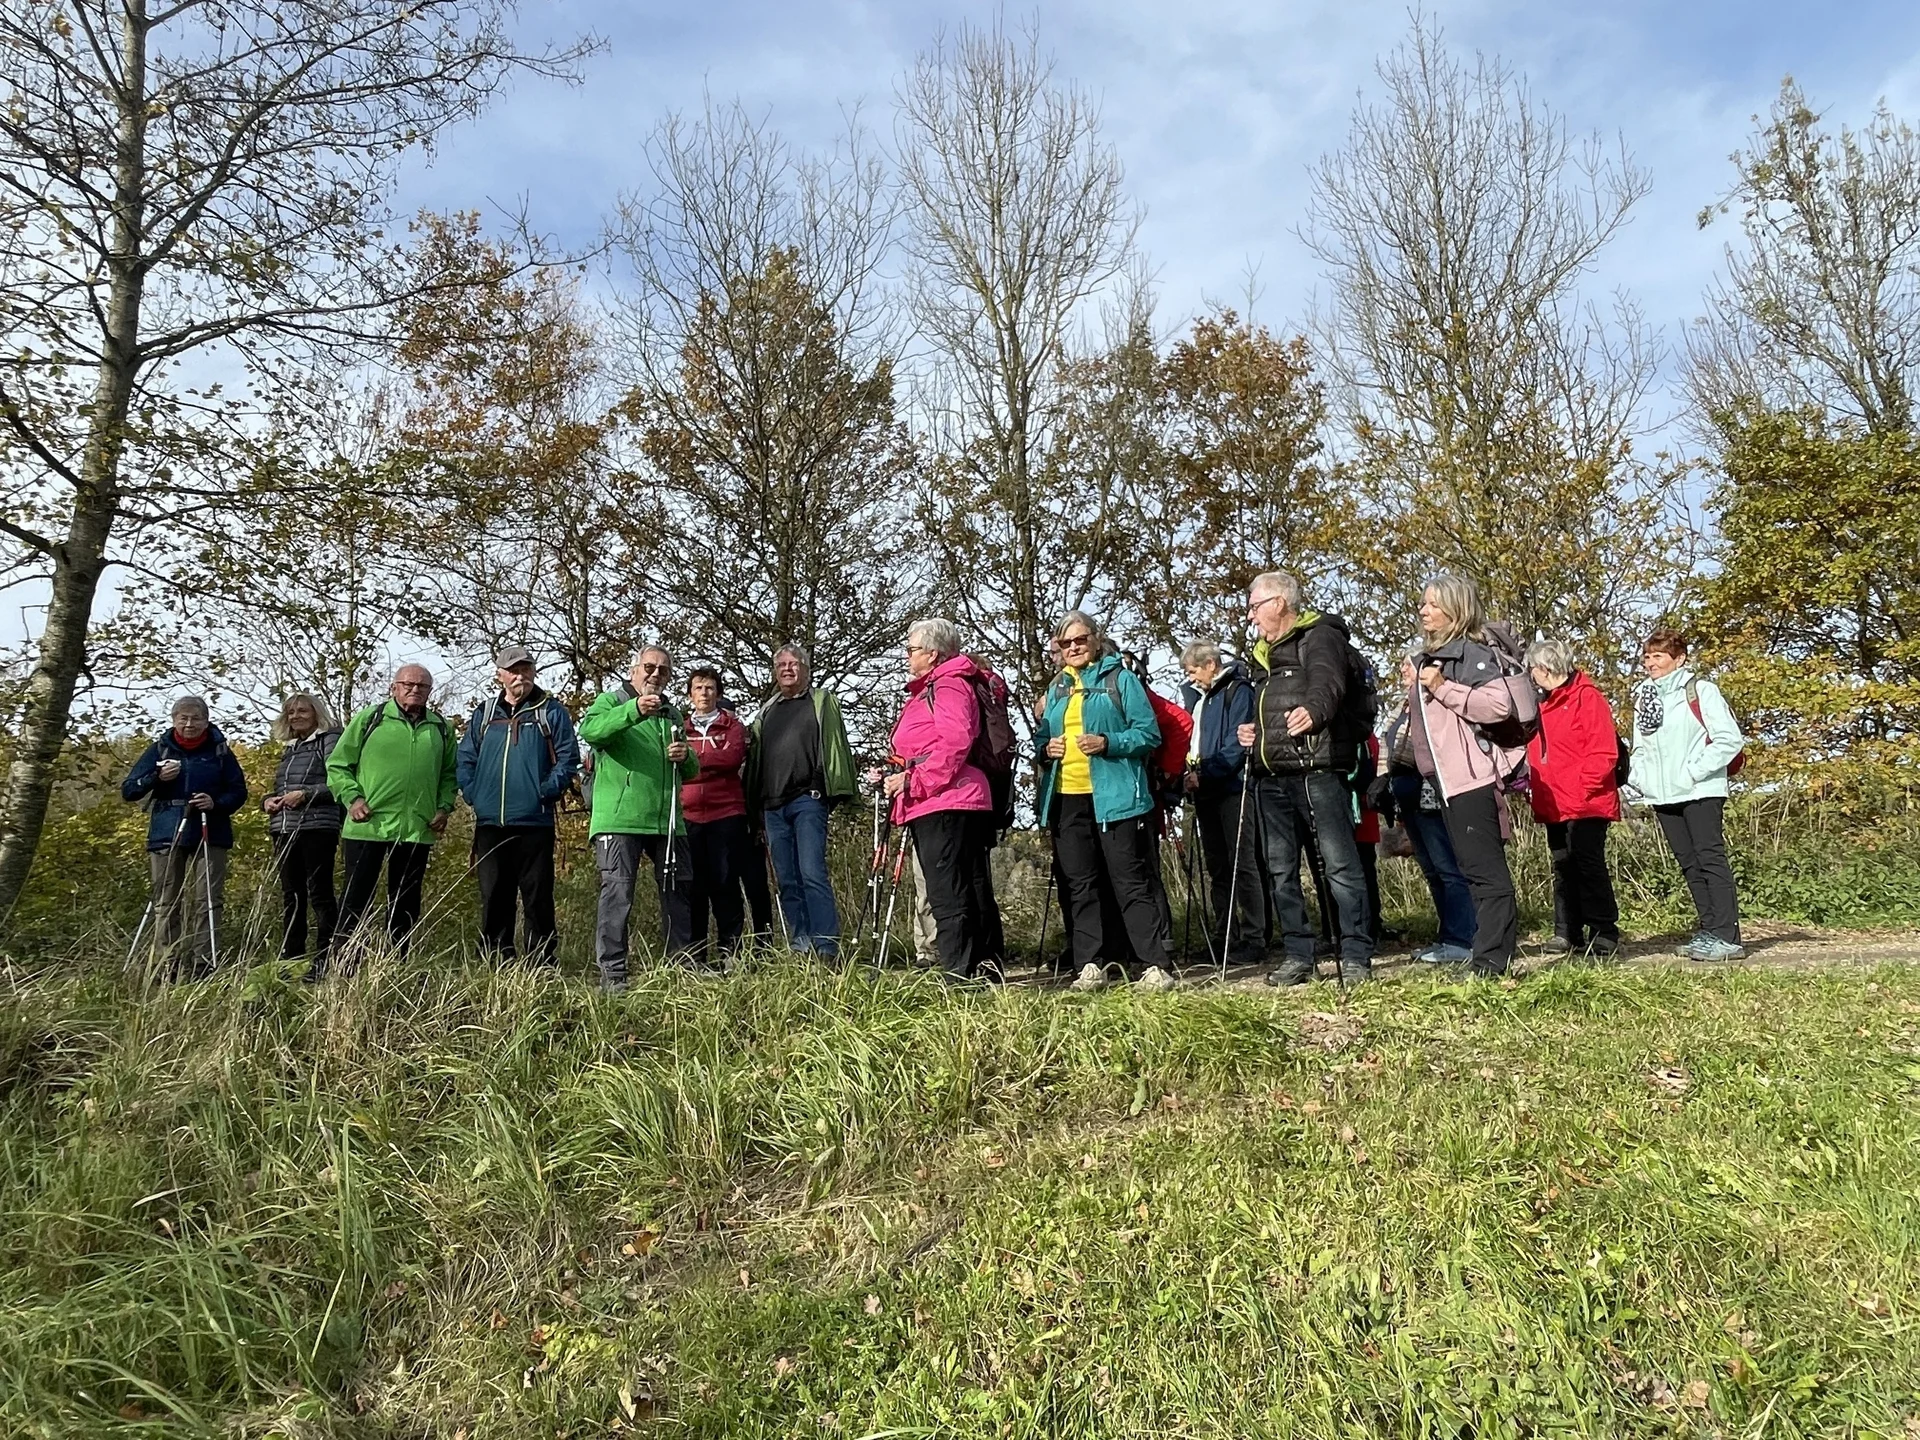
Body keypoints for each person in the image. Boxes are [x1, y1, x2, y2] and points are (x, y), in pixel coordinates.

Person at [1235, 571, 1375, 986]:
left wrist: (1315, 711)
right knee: (1280, 869)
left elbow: (1327, 684)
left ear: (1280, 602)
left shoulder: (1320, 636)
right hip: (1271, 774)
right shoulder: (1262, 655)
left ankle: (1355, 954)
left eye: (1255, 605)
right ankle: (1299, 954)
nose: (1250, 615)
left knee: (1339, 864)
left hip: (1317, 769)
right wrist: (1255, 733)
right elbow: (1274, 710)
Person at [1035, 609, 1173, 992]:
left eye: (1081, 639)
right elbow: (1039, 742)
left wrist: (1108, 743)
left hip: (1116, 797)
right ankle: (1090, 966)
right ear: (1059, 649)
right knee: (1081, 885)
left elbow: (1149, 734)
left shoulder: (1122, 679)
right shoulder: (1057, 687)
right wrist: (1047, 748)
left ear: (1096, 639)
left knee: (1130, 881)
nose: (1074, 647)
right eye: (1066, 643)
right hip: (1067, 797)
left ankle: (1154, 965)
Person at [1407, 575, 1525, 978]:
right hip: (1445, 781)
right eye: (1422, 603)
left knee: (1487, 875)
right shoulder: (1432, 657)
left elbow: (1496, 707)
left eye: (1432, 604)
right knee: (1472, 873)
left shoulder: (1471, 655)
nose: (1423, 610)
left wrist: (1442, 687)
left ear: (1455, 609)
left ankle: (1493, 962)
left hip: (1471, 778)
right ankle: (1486, 956)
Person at [877, 618, 1002, 984]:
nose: (906, 655)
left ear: (932, 653)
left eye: (912, 649)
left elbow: (955, 742)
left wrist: (914, 780)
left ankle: (958, 974)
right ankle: (985, 970)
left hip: (945, 800)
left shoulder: (947, 686)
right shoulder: (941, 685)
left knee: (948, 889)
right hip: (952, 799)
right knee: (971, 885)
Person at [579, 646, 700, 990]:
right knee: (618, 895)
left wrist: (685, 756)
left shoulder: (672, 714)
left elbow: (690, 770)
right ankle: (613, 977)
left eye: (663, 671)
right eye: (649, 667)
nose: (655, 675)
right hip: (620, 820)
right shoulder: (612, 702)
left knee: (678, 894)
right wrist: (633, 710)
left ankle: (681, 970)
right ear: (634, 669)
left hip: (667, 821)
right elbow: (591, 731)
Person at [327, 664, 459, 969]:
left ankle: (396, 965)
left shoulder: (440, 727)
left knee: (405, 902)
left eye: (422, 686)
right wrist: (352, 798)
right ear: (394, 687)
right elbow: (338, 764)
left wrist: (444, 807)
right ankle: (345, 964)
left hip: (416, 828)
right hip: (367, 825)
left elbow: (449, 775)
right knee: (356, 899)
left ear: (430, 692)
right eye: (408, 684)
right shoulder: (371, 719)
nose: (415, 690)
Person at [456, 645, 581, 967]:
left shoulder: (551, 711)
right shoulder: (484, 714)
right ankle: (496, 960)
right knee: (494, 894)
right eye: (513, 670)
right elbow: (465, 757)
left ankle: (541, 962)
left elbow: (568, 759)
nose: (520, 675)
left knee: (537, 896)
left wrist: (545, 792)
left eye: (526, 668)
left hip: (534, 821)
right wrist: (473, 793)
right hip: (490, 822)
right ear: (499, 675)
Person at [1630, 627, 1746, 961]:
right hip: (1662, 794)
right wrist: (1640, 778)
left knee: (1710, 859)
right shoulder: (1644, 696)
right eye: (1647, 656)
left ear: (1679, 658)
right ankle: (1710, 930)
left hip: (1701, 789)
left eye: (1658, 656)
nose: (1651, 662)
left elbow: (1729, 739)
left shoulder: (1701, 690)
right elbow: (1642, 747)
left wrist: (1693, 771)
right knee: (1689, 863)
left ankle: (1728, 935)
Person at [121, 695, 248, 979]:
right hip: (167, 831)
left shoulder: (220, 751)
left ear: (206, 720)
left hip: (210, 828)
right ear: (174, 720)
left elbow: (238, 791)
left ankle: (204, 962)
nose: (190, 724)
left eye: (196, 718)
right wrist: (156, 777)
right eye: (184, 718)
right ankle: (168, 962)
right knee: (166, 900)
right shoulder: (159, 749)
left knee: (208, 899)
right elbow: (129, 790)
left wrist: (215, 802)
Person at [747, 643, 856, 959]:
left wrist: (840, 790)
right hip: (772, 806)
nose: (787, 669)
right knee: (787, 880)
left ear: (806, 669)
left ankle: (826, 947)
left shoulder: (821, 702)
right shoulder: (767, 711)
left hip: (808, 799)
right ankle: (800, 945)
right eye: (781, 665)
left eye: (793, 664)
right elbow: (753, 757)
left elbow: (836, 747)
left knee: (811, 872)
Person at [1525, 638, 1624, 958]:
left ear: (1544, 668)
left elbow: (1604, 751)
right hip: (1555, 799)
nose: (1530, 675)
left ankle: (1604, 930)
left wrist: (1581, 788)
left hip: (1586, 801)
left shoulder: (1587, 698)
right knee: (1562, 865)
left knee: (1588, 864)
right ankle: (1567, 931)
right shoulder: (1542, 703)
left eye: (1532, 669)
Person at [1378, 651, 1475, 963]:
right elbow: (1388, 745)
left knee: (1447, 866)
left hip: (1428, 791)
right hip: (1405, 793)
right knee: (1431, 869)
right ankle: (1447, 936)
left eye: (1408, 664)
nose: (1403, 669)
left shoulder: (1432, 701)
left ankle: (1463, 937)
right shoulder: (1404, 704)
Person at [1180, 640, 1265, 968]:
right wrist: (1187, 775)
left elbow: (1236, 743)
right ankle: (1224, 936)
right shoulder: (1197, 699)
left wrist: (1208, 772)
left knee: (1242, 862)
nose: (1191, 679)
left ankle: (1254, 936)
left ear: (1211, 664)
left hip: (1232, 787)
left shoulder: (1238, 691)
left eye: (1194, 671)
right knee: (1217, 866)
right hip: (1204, 789)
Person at [263, 692, 343, 969]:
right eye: (291, 712)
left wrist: (307, 794)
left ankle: (327, 955)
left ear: (315, 713)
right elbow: (280, 787)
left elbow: (340, 782)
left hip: (318, 825)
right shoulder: (290, 748)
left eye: (302, 711)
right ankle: (291, 955)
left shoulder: (329, 740)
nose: (295, 716)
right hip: (284, 827)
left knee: (319, 892)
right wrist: (268, 801)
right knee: (291, 893)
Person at [682, 666, 753, 962]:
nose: (704, 693)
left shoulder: (733, 726)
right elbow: (672, 761)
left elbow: (732, 757)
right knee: (694, 888)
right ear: (690, 695)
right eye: (698, 688)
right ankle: (696, 956)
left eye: (710, 688)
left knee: (725, 883)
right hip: (688, 816)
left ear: (718, 693)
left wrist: (692, 758)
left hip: (726, 813)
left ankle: (730, 953)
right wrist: (709, 758)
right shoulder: (679, 728)